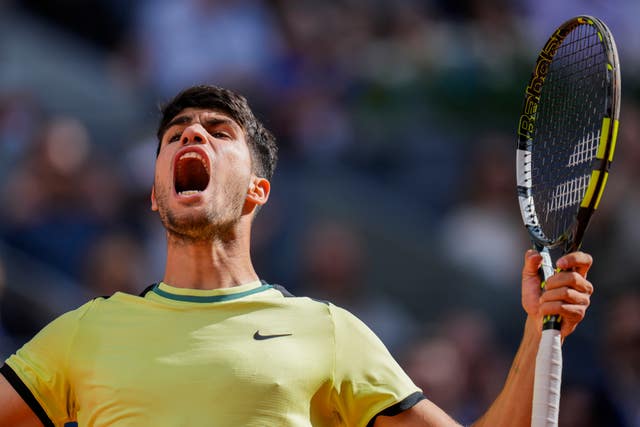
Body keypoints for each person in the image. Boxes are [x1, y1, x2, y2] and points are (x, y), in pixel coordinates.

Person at [0, 85, 595, 426]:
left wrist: (536, 335)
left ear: (258, 191)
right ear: (157, 196)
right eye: (176, 131)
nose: (191, 135)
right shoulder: (86, 332)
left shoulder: (328, 332)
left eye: (218, 130)